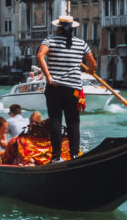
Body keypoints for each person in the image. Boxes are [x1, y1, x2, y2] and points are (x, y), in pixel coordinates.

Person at [36, 13, 97, 164]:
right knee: (73, 122)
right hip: (73, 89)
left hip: (54, 87)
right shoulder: (81, 43)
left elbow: (39, 56)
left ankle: (56, 157)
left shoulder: (50, 40)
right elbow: (93, 64)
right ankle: (74, 155)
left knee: (56, 121)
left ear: (58, 28)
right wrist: (90, 71)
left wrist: (49, 77)